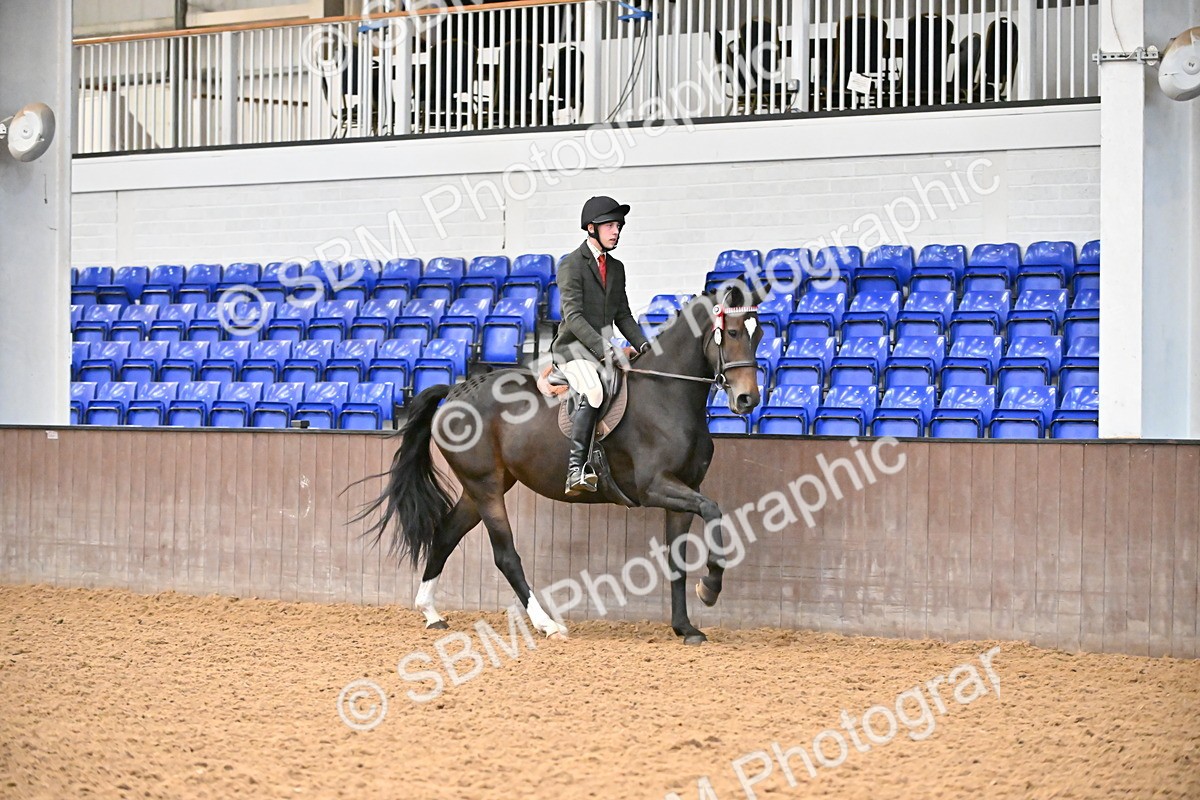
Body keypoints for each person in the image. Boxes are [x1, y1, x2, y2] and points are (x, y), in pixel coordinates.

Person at [551, 195, 651, 496]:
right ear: (591, 228)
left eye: (618, 226)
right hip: (574, 350)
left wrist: (646, 346)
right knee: (593, 390)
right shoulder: (571, 265)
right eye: (610, 225)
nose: (616, 231)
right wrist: (607, 350)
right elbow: (574, 317)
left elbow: (623, 315)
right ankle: (575, 470)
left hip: (600, 352)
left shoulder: (616, 268)